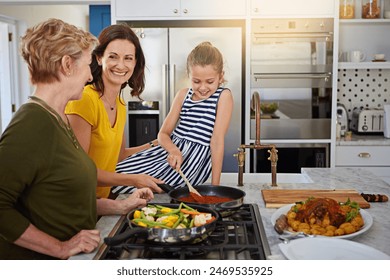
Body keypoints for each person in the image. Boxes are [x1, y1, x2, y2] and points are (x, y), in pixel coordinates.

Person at [0, 18, 100, 260]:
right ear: (67, 65)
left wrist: (119, 206)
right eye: (88, 65)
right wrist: (60, 247)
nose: (89, 77)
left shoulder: (59, 118)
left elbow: (60, 196)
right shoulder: (32, 124)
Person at [65, 24, 163, 214]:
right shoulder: (84, 100)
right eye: (113, 57)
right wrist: (134, 179)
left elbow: (118, 156)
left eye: (128, 58)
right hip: (75, 206)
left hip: (100, 203)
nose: (121, 65)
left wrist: (157, 144)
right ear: (99, 58)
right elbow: (79, 171)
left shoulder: (120, 103)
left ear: (135, 63)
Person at [113, 41, 233, 194]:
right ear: (189, 76)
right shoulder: (183, 94)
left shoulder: (223, 96)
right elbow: (163, 134)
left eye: (210, 82)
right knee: (119, 174)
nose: (202, 87)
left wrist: (215, 188)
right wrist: (173, 150)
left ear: (220, 77)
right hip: (169, 154)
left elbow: (217, 142)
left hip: (191, 163)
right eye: (196, 81)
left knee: (149, 187)